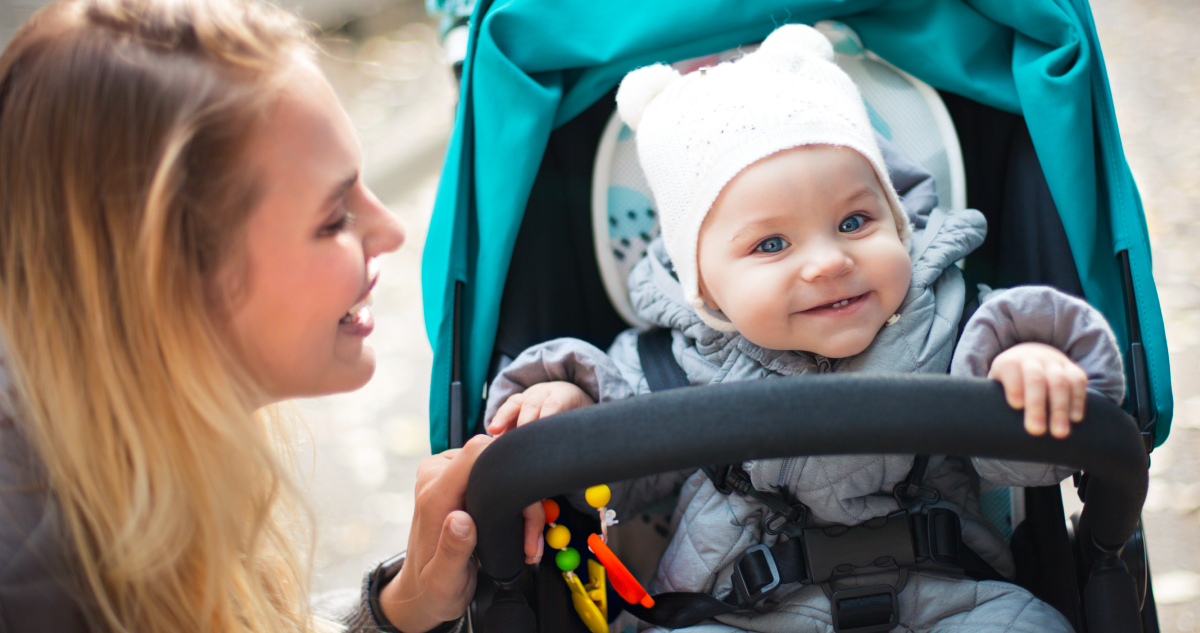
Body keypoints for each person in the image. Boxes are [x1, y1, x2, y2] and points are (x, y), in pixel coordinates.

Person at [483, 24, 1125, 632]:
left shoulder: (960, 328)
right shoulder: (667, 369)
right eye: (771, 244)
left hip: (952, 596)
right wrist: (565, 404)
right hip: (737, 608)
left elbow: (1034, 465)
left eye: (854, 223)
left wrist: (1034, 373)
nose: (827, 262)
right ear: (700, 284)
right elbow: (600, 481)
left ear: (899, 221)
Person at [0, 1, 541, 631]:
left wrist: (398, 610)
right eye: (334, 218)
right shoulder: (33, 582)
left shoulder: (121, 462)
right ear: (171, 276)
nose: (390, 230)